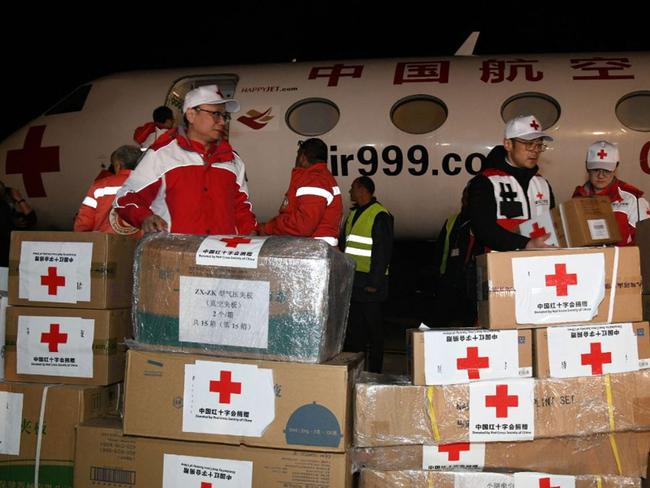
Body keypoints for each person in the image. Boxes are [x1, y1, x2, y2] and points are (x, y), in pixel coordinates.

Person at [114, 85, 257, 235]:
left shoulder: (233, 160)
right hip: (174, 254)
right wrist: (144, 217)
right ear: (191, 115)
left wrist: (250, 233)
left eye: (224, 116)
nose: (222, 121)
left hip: (221, 255)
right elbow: (125, 197)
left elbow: (241, 207)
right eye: (215, 114)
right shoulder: (162, 155)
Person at [468, 114, 556, 251]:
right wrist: (526, 244)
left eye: (539, 145)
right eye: (528, 144)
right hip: (499, 264)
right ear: (508, 144)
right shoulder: (485, 182)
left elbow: (553, 224)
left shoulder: (542, 184)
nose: (535, 150)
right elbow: (483, 229)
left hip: (539, 263)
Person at [340, 176, 393, 373]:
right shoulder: (354, 214)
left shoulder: (379, 214)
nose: (349, 191)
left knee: (374, 332)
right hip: (355, 281)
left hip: (370, 284)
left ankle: (375, 373)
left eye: (352, 187)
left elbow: (383, 251)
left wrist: (375, 282)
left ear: (362, 189)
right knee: (356, 332)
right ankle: (358, 371)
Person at [258, 138, 342, 245]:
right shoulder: (324, 178)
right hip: (316, 248)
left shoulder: (314, 179)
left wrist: (268, 228)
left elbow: (303, 226)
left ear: (302, 157)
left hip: (313, 250)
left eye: (297, 155)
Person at [572, 140, 649, 245]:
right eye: (595, 169)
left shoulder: (633, 200)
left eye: (607, 170)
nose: (601, 175)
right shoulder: (578, 197)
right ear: (587, 167)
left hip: (622, 260)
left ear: (616, 167)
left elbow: (645, 245)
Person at [431, 186, 479, 325]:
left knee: (468, 320)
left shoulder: (481, 222)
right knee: (442, 318)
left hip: (471, 281)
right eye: (465, 198)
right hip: (450, 278)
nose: (466, 201)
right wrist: (438, 273)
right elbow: (440, 249)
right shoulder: (452, 221)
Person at [74, 145, 143, 236]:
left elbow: (83, 224)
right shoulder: (151, 184)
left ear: (118, 165)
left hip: (106, 246)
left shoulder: (100, 187)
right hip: (142, 245)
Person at [0, 181, 36, 267]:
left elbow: (31, 219)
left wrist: (20, 199)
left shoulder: (12, 215)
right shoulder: (3, 209)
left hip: (10, 259)